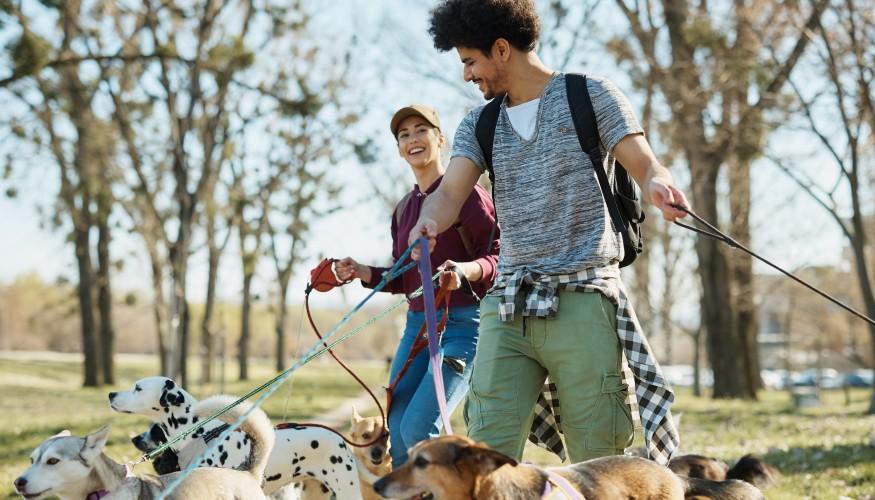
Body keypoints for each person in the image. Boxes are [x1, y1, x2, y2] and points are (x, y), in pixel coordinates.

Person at [408, 0, 689, 465]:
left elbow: (643, 161)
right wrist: (431, 218)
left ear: (501, 49)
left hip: (582, 300)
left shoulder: (590, 95)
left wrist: (657, 182)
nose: (467, 75)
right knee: (483, 457)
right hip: (508, 305)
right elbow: (449, 192)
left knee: (596, 459)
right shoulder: (480, 123)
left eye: (469, 61)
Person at [335, 104, 500, 466]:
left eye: (421, 130)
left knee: (418, 432)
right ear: (398, 148)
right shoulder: (403, 210)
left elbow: (499, 258)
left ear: (440, 139)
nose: (412, 139)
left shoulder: (469, 196)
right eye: (403, 134)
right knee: (395, 422)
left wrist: (466, 270)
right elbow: (404, 277)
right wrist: (363, 271)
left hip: (462, 326)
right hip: (416, 328)